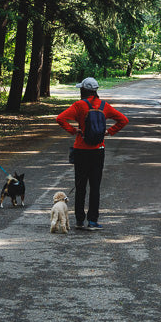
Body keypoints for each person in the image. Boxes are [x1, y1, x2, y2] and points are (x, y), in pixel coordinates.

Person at [56, 77, 128, 230]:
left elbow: (60, 118)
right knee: (95, 186)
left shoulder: (79, 105)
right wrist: (108, 132)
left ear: (83, 90)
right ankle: (93, 221)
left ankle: (79, 220)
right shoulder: (104, 106)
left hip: (81, 150)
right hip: (98, 150)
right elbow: (123, 120)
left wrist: (74, 131)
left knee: (80, 185)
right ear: (95, 90)